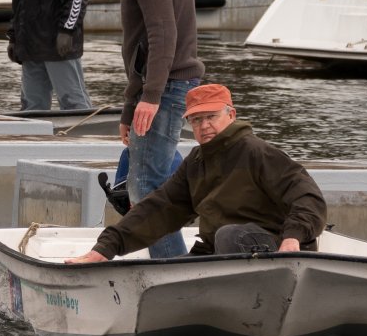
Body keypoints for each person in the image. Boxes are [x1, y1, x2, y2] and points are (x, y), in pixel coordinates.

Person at [68, 84, 327, 263]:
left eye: (211, 117)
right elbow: (160, 208)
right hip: (218, 253)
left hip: (276, 251)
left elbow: (308, 198)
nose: (204, 126)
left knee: (228, 235)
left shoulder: (258, 152)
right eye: (196, 119)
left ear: (231, 115)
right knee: (167, 274)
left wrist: (293, 237)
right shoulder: (196, 162)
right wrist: (106, 247)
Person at [106, 0, 205, 258]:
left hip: (168, 88)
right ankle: (211, 202)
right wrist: (129, 109)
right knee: (158, 175)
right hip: (166, 86)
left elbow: (163, 35)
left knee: (145, 188)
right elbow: (143, 50)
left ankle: (173, 269)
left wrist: (149, 97)